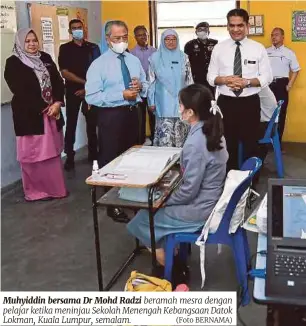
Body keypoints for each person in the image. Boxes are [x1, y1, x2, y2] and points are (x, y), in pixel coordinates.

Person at [127, 84, 228, 269]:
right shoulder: (212, 130)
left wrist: (163, 200)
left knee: (142, 220)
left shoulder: (196, 143)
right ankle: (171, 252)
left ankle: (171, 269)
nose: (178, 109)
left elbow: (189, 191)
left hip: (199, 209)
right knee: (152, 210)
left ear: (190, 112)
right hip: (210, 200)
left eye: (180, 105)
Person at [85, 20, 148, 222]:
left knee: (133, 157)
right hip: (111, 115)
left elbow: (146, 85)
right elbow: (91, 96)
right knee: (111, 157)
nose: (121, 41)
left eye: (124, 37)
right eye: (116, 38)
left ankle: (131, 196)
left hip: (133, 113)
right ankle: (112, 203)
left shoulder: (133, 60)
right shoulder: (98, 65)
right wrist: (121, 94)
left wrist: (141, 86)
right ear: (108, 39)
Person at [4, 28, 68, 201]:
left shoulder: (45, 58)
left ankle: (56, 189)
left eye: (34, 40)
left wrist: (57, 102)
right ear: (20, 43)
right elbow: (20, 90)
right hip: (31, 117)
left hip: (52, 113)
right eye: (27, 41)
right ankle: (35, 192)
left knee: (52, 153)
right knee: (33, 155)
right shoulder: (13, 63)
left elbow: (58, 81)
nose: (32, 44)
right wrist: (46, 107)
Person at [207, 8, 273, 170]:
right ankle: (230, 181)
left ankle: (249, 183)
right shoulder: (219, 48)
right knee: (227, 144)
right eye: (232, 25)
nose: (236, 29)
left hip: (249, 103)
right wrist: (224, 80)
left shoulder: (258, 48)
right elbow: (210, 77)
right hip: (226, 103)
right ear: (227, 26)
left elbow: (267, 77)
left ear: (247, 26)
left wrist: (247, 82)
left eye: (240, 25)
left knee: (251, 145)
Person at [58, 19, 101, 170]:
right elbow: (64, 73)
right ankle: (69, 156)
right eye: (74, 28)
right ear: (70, 32)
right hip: (73, 92)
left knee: (92, 123)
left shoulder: (93, 48)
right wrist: (84, 83)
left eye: (79, 28)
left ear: (84, 29)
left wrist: (88, 88)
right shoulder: (65, 48)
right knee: (71, 124)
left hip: (91, 91)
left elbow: (98, 71)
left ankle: (93, 154)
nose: (77, 30)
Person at [148, 29, 194, 147]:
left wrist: (191, 100)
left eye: (173, 39)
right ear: (162, 41)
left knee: (181, 131)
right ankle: (164, 161)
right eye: (167, 39)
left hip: (182, 101)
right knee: (166, 134)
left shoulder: (184, 57)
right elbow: (151, 81)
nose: (170, 42)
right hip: (163, 101)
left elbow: (189, 80)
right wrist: (151, 101)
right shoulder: (154, 58)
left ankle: (180, 161)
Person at [267, 27, 301, 144]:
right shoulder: (266, 52)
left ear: (282, 37)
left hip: (282, 85)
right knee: (267, 113)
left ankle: (277, 142)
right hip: (268, 85)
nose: (273, 37)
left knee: (281, 113)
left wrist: (289, 85)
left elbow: (296, 70)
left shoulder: (289, 53)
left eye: (276, 35)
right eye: (272, 35)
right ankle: (266, 142)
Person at [130, 25, 157, 144]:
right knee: (139, 118)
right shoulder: (131, 54)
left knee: (154, 117)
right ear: (135, 37)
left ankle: (155, 140)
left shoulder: (155, 52)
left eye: (144, 34)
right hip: (139, 90)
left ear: (148, 35)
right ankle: (139, 143)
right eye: (139, 35)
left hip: (153, 89)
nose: (143, 37)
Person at [184, 22, 218, 93]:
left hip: (211, 76)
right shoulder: (190, 45)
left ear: (208, 31)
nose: (202, 32)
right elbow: (186, 62)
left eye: (204, 29)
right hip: (196, 77)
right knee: (198, 98)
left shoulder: (215, 43)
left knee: (211, 98)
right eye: (199, 30)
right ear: (196, 32)